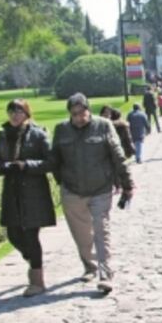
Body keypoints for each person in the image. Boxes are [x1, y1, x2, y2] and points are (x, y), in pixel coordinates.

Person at [51, 93, 134, 294]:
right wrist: (61, 181)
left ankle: (105, 273)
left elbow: (118, 155)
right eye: (75, 113)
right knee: (82, 236)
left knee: (101, 229)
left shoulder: (103, 125)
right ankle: (89, 265)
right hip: (72, 190)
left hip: (100, 187)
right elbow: (55, 159)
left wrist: (127, 183)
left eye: (83, 112)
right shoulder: (62, 130)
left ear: (89, 109)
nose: (80, 117)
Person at [0, 99, 56, 297]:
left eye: (18, 111)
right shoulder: (2, 135)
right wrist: (5, 167)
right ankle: (32, 259)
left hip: (33, 191)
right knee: (13, 234)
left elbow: (50, 162)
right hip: (12, 191)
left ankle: (37, 281)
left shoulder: (37, 134)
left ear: (26, 113)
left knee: (30, 234)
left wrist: (26, 165)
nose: (14, 115)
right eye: (11, 111)